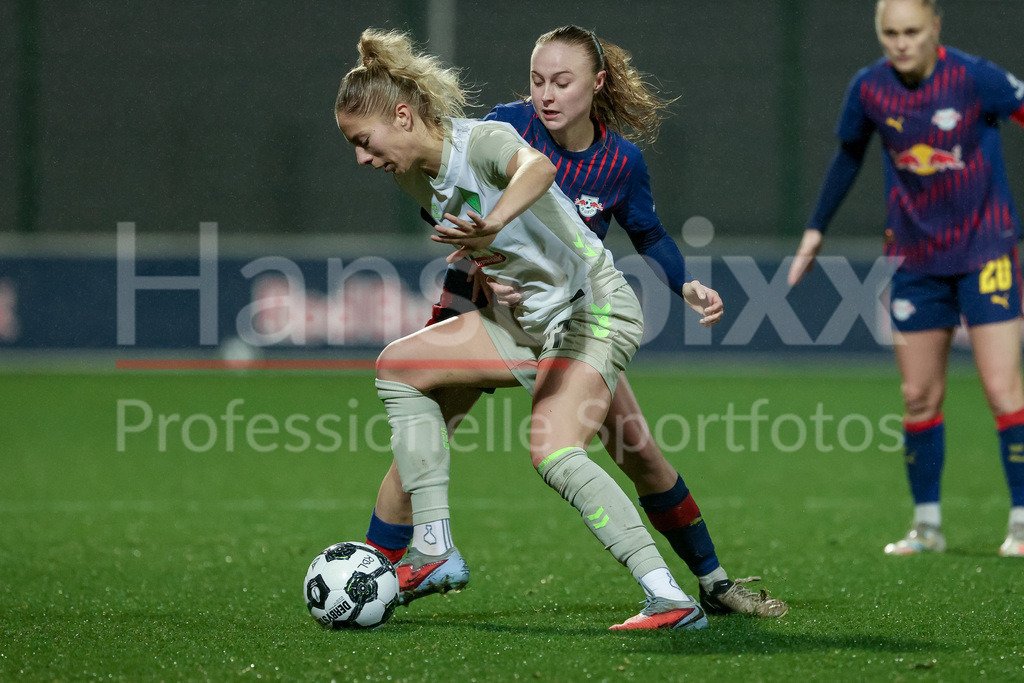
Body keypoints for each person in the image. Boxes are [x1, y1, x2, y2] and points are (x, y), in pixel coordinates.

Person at [363, 25, 788, 617]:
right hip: (506, 311)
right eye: (537, 80)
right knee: (422, 418)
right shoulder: (505, 127)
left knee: (636, 453)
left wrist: (684, 283)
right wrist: (477, 276)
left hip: (582, 312)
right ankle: (375, 571)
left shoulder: (619, 161)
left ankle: (710, 583)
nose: (546, 95)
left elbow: (648, 234)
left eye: (562, 82)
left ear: (597, 83)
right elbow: (456, 208)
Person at [788, 0, 1024, 557]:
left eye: (912, 31)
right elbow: (848, 156)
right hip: (915, 261)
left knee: (1002, 390)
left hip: (986, 252)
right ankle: (926, 527)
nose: (901, 43)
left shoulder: (976, 78)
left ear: (935, 28)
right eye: (890, 33)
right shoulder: (870, 87)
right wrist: (816, 229)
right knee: (918, 396)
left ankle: (1020, 520)